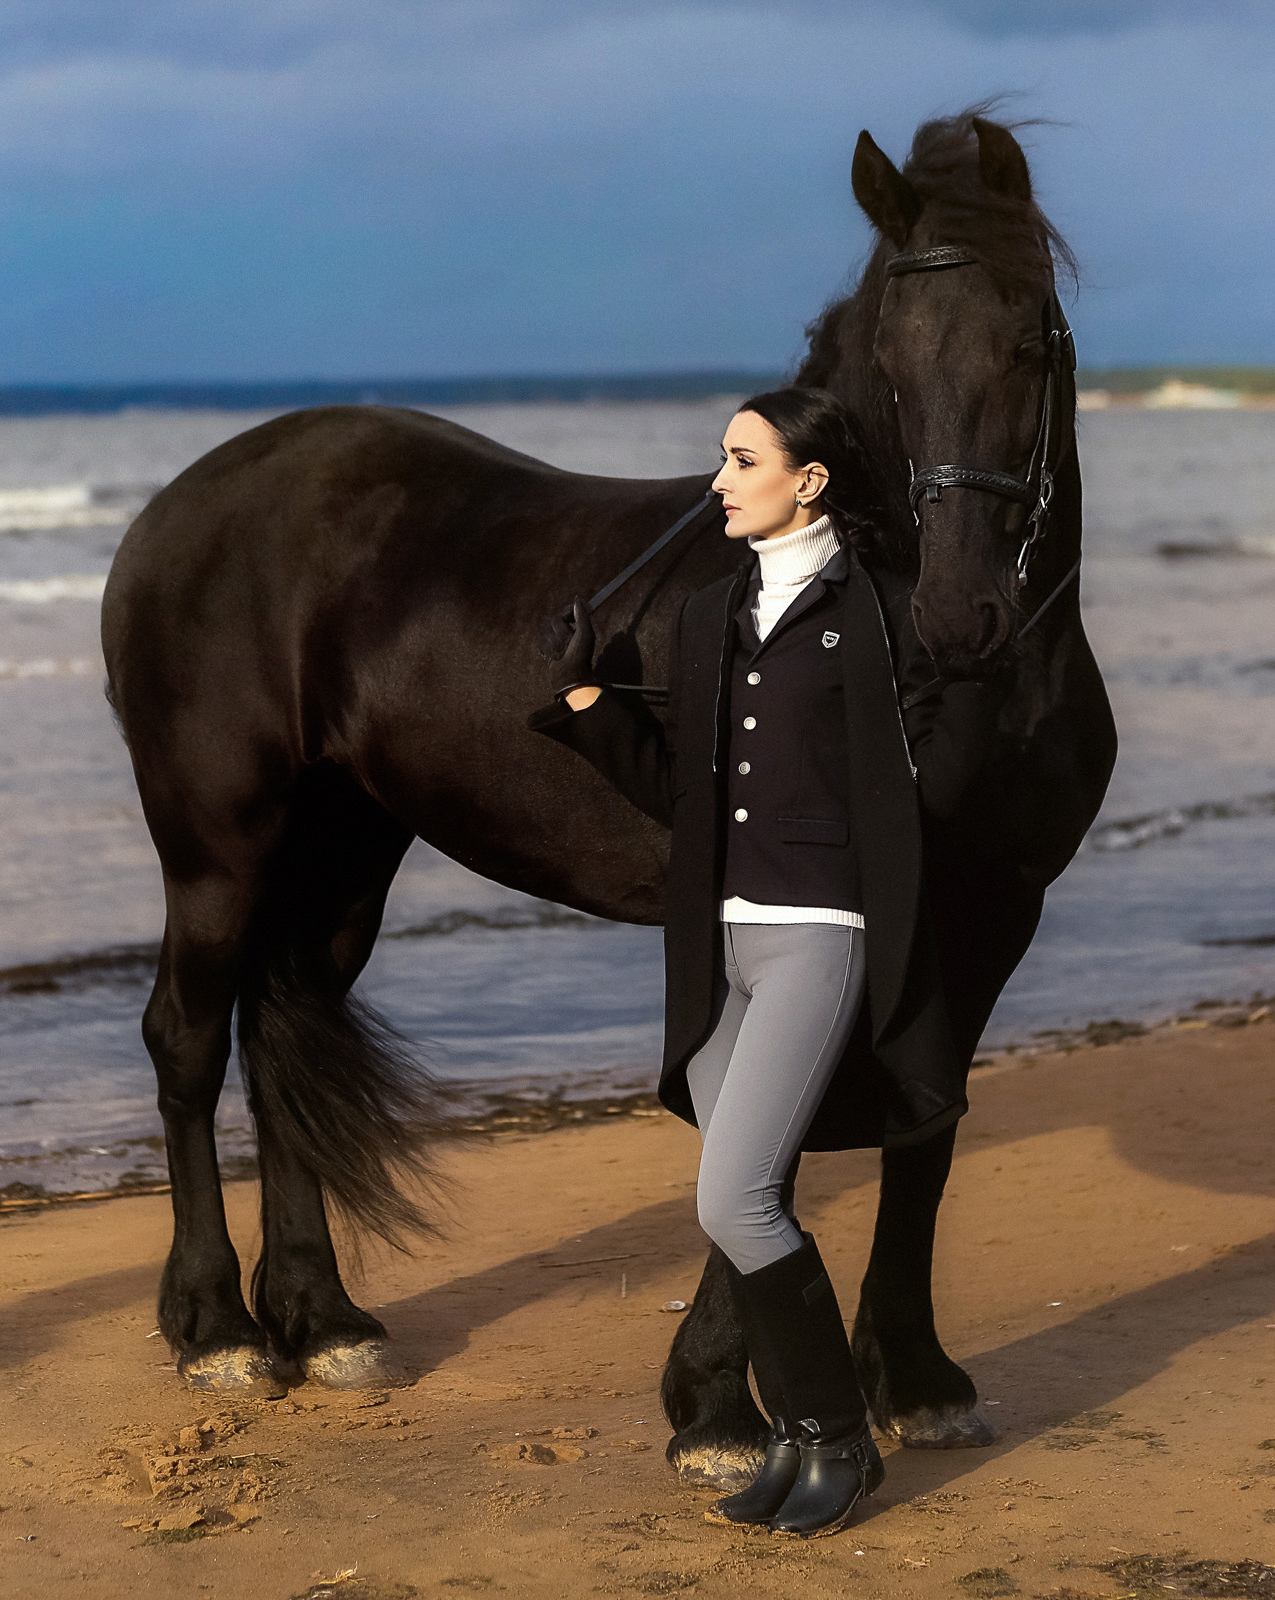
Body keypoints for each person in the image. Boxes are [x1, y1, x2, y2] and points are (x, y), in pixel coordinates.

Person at [527, 387, 1007, 1537]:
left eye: (742, 459)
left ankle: (836, 1435)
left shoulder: (879, 615)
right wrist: (589, 703)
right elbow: (688, 799)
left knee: (735, 1196)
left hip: (818, 942)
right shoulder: (708, 615)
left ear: (812, 478)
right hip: (718, 948)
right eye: (720, 457)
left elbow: (930, 795)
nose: (718, 480)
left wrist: (978, 686)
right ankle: (798, 1437)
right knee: (738, 1192)